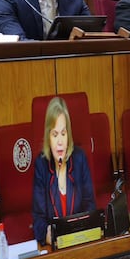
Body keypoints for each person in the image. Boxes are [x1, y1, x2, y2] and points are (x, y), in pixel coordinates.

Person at [32, 97, 95, 245]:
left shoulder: (79, 160)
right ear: (48, 137)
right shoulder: (41, 165)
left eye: (63, 133)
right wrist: (48, 236)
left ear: (69, 135)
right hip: (54, 246)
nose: (60, 141)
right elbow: (38, 219)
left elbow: (90, 205)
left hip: (80, 242)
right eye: (55, 134)